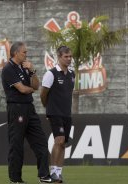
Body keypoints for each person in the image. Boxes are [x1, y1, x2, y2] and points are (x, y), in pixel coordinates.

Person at [1, 42, 53, 184]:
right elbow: (23, 89)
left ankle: (44, 176)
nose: (26, 54)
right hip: (16, 108)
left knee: (41, 142)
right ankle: (15, 179)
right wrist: (31, 89)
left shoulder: (25, 67)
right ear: (15, 53)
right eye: (24, 52)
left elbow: (36, 85)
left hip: (29, 108)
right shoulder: (8, 69)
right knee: (16, 144)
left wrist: (33, 71)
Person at [40, 46, 75, 183]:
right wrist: (48, 108)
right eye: (66, 57)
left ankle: (59, 173)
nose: (69, 59)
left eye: (70, 56)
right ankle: (53, 172)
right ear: (59, 57)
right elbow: (43, 94)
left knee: (63, 144)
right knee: (59, 140)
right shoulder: (51, 74)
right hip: (55, 113)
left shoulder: (72, 74)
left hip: (67, 114)